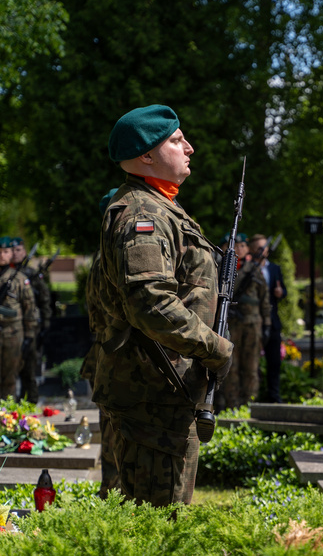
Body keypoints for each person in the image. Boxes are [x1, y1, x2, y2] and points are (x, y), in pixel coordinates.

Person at [96, 104, 233, 506]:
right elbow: (150, 302)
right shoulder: (144, 213)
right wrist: (216, 347)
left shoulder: (161, 207)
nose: (189, 147)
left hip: (164, 387)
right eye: (176, 140)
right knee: (158, 526)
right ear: (147, 156)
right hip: (152, 393)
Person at [80, 189, 120, 499]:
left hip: (106, 348)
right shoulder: (109, 257)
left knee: (111, 427)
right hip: (114, 352)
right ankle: (113, 490)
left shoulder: (102, 254)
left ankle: (112, 488)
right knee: (114, 429)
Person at [220, 233, 271, 409]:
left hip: (252, 324)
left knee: (251, 367)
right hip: (231, 325)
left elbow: (264, 299)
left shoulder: (254, 270)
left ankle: (249, 405)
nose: (239, 249)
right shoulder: (223, 269)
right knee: (231, 367)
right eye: (235, 246)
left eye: (242, 246)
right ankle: (232, 405)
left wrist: (267, 325)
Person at [10, 237, 51, 402]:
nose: (15, 254)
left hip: (30, 329)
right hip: (10, 330)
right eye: (12, 250)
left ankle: (31, 406)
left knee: (29, 371)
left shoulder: (32, 275)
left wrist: (44, 326)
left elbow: (44, 301)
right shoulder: (5, 274)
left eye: (18, 250)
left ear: (25, 252)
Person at [249, 234, 287, 401]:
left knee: (274, 362)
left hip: (272, 321)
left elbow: (283, 290)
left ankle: (274, 395)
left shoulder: (274, 269)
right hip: (254, 321)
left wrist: (281, 293)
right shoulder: (249, 269)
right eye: (259, 248)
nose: (263, 251)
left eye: (265, 248)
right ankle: (253, 395)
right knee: (253, 362)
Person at [0, 237, 37, 400]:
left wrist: (29, 336)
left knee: (10, 378)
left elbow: (29, 309)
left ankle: (7, 418)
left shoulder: (20, 279)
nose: (2, 255)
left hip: (12, 334)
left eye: (6, 252)